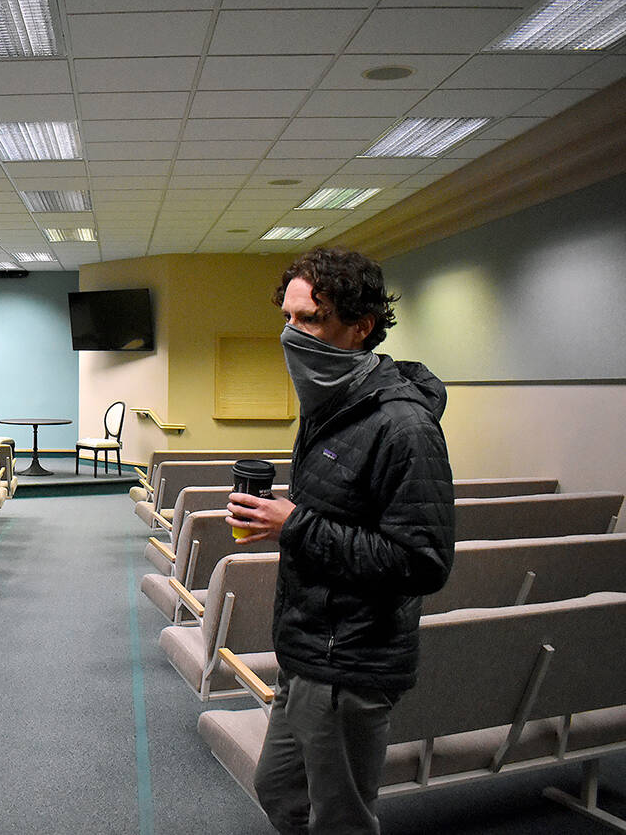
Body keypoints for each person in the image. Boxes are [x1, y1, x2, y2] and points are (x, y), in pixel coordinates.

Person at [226, 247, 455, 835]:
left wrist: (293, 526)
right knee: (279, 791)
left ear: (361, 328)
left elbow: (421, 562)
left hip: (351, 663)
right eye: (287, 317)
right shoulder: (331, 407)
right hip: (308, 650)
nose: (291, 334)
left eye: (310, 320)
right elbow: (341, 519)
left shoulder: (404, 427)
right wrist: (291, 520)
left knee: (342, 820)